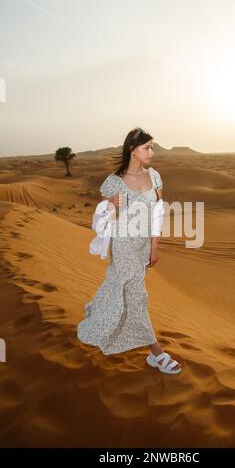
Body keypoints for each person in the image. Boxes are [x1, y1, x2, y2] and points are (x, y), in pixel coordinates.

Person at [77, 127, 182, 374]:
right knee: (137, 294)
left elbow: (158, 213)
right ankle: (157, 353)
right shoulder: (115, 181)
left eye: (152, 147)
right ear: (132, 150)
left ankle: (98, 315)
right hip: (123, 243)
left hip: (143, 244)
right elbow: (103, 215)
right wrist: (109, 203)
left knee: (124, 289)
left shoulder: (154, 177)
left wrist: (154, 246)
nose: (151, 152)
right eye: (147, 147)